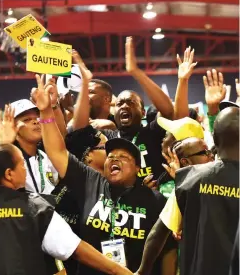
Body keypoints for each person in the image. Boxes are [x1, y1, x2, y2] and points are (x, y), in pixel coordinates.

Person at [30, 75, 177, 275]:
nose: (114, 159)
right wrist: (46, 110)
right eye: (111, 156)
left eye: (123, 157)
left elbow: (168, 250)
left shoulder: (155, 200)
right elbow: (58, 151)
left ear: (137, 168)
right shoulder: (90, 181)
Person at [0, 143, 133, 275]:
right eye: (22, 164)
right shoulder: (36, 207)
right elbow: (75, 249)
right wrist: (120, 271)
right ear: (9, 174)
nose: (25, 168)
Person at [136, 106, 239, 275]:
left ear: (214, 140)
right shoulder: (187, 179)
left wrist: (141, 272)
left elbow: (158, 233)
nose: (165, 140)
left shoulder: (190, 180)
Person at [71, 38, 174, 183]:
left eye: (131, 103)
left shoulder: (152, 132)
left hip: (157, 201)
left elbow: (168, 111)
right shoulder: (107, 138)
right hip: (123, 203)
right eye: (120, 103)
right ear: (115, 110)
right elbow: (78, 132)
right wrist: (85, 83)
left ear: (143, 112)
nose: (125, 106)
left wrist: (136, 72)